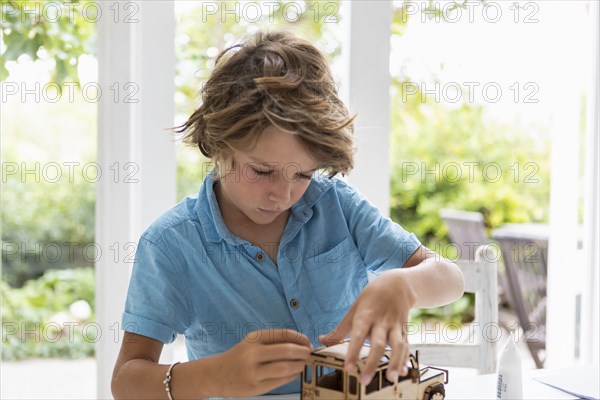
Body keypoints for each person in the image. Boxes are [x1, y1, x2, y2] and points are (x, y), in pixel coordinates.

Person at [111, 30, 464, 400]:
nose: (283, 195)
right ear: (218, 145)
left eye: (303, 174)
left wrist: (403, 285)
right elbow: (125, 380)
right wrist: (215, 374)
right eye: (261, 171)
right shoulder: (171, 244)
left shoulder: (336, 204)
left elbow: (448, 278)